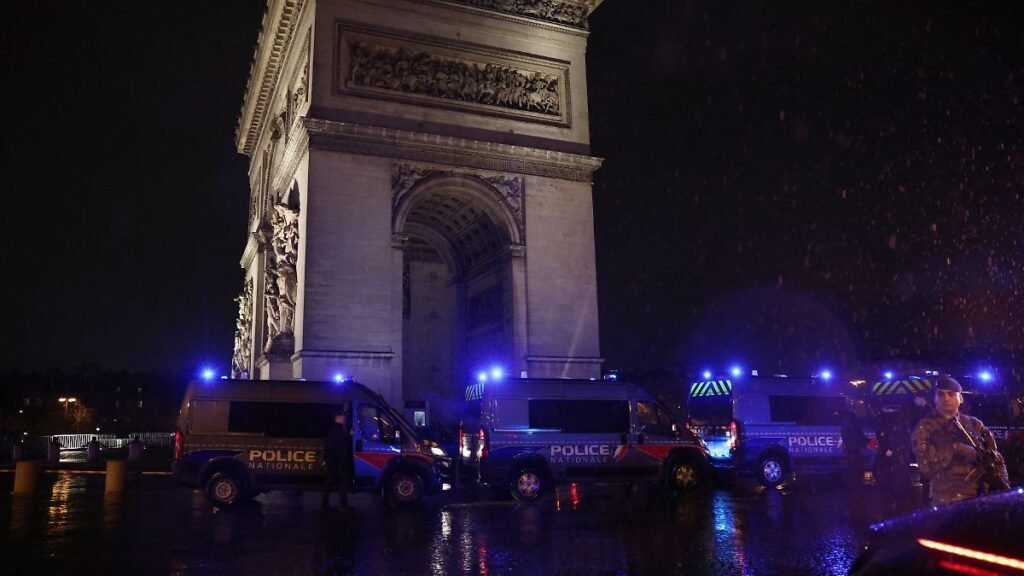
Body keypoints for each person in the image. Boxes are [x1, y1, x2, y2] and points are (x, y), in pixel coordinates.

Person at [912, 376, 1010, 505]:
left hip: (979, 497)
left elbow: (995, 458)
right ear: (935, 399)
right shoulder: (925, 427)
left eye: (951, 394)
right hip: (946, 499)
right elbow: (926, 468)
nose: (946, 398)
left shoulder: (975, 424)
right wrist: (956, 448)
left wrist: (1003, 485)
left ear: (961, 398)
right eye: (941, 395)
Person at [322, 408, 354, 510]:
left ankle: (325, 503)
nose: (344, 419)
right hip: (336, 460)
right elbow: (342, 445)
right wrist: (350, 435)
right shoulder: (336, 430)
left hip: (332, 459)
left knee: (330, 481)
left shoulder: (334, 429)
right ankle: (342, 505)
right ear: (337, 418)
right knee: (342, 481)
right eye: (343, 417)